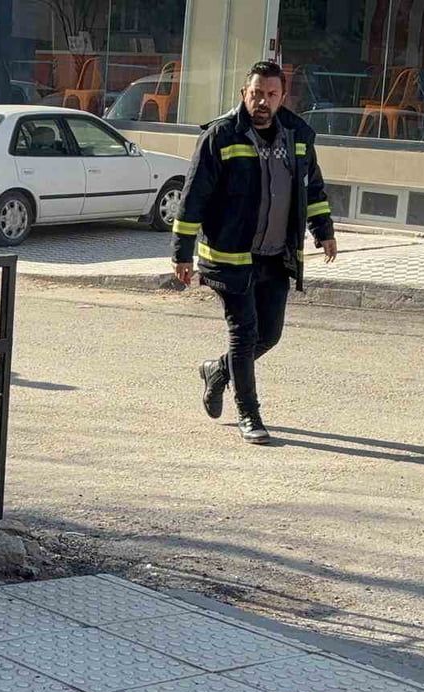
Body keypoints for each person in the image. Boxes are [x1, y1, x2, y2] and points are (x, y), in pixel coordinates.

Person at [171, 61, 337, 445]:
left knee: (270, 334)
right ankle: (249, 413)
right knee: (244, 335)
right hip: (230, 257)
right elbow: (195, 197)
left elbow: (312, 188)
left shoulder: (297, 136)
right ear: (244, 94)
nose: (262, 101)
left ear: (282, 97)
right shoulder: (220, 137)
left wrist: (323, 231)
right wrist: (181, 252)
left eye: (271, 94)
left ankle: (217, 370)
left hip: (276, 256)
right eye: (256, 93)